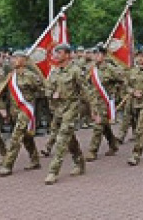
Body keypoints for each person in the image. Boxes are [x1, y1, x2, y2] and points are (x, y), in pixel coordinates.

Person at [44, 44, 99, 185]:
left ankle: (53, 171)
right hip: (58, 110)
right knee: (69, 138)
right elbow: (48, 89)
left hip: (72, 108)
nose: (56, 55)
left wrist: (94, 109)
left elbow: (87, 91)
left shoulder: (75, 71)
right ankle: (80, 162)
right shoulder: (55, 72)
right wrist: (52, 94)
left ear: (67, 55)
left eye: (59, 52)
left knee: (62, 139)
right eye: (55, 52)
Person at [0, 49, 45, 177]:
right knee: (26, 137)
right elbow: (1, 92)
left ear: (23, 60)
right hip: (14, 110)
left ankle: (7, 165)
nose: (12, 60)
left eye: (15, 58)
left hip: (26, 110)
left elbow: (42, 89)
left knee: (16, 137)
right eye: (12, 58)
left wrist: (32, 98)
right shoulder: (10, 76)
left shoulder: (30, 76)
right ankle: (35, 160)